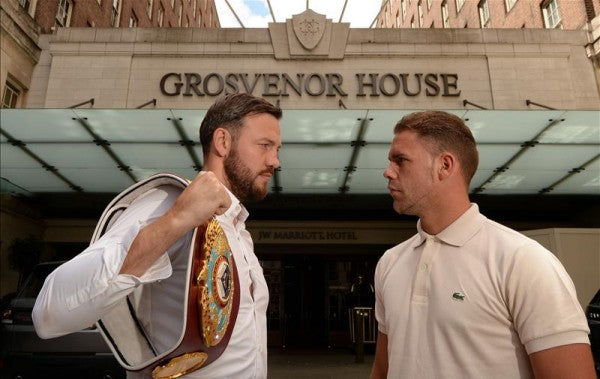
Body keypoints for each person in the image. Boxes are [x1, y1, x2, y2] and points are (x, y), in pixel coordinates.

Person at [32, 93, 282, 378]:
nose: (275, 161)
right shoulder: (168, 204)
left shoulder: (240, 232)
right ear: (223, 142)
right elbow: (49, 313)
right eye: (265, 146)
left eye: (277, 149)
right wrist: (177, 220)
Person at [370, 111, 594, 379]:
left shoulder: (523, 260)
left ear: (445, 166)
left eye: (400, 160)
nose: (388, 171)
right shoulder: (390, 262)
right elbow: (383, 369)